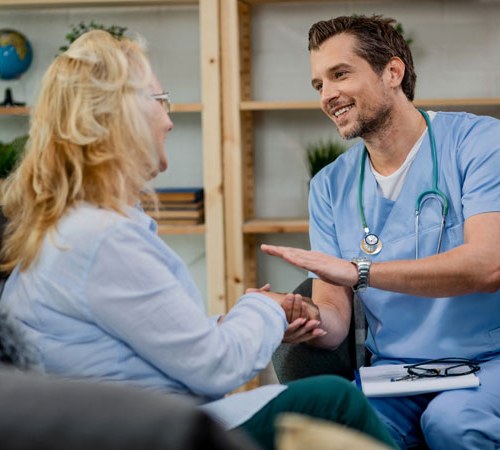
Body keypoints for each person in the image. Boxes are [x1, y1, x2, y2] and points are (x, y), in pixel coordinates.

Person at [0, 30, 396, 450]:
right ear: (121, 116)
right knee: (333, 401)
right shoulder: (100, 239)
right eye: (159, 101)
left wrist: (248, 321)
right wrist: (264, 308)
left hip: (132, 415)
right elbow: (216, 366)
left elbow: (151, 341)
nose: (169, 119)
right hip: (145, 430)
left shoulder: (72, 226)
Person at [261, 14, 500, 450]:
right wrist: (299, 317)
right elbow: (335, 322)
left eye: (340, 74)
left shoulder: (479, 143)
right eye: (318, 84)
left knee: (453, 424)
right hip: (398, 374)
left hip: (488, 365)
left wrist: (360, 271)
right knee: (335, 435)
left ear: (393, 72)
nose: (328, 95)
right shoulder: (329, 186)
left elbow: (488, 266)